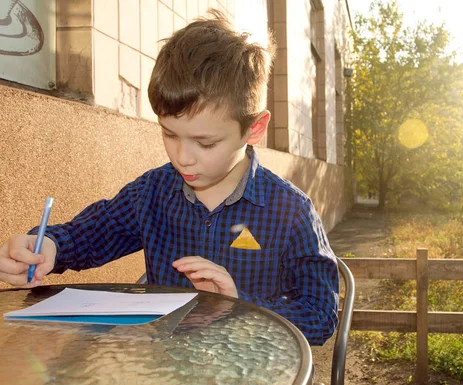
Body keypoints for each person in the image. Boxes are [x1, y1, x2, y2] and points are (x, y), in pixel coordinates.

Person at [0, 11, 339, 346]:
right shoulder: (153, 192)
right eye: (169, 134)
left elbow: (320, 317)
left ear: (254, 129)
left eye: (205, 143)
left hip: (253, 380)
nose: (182, 157)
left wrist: (242, 305)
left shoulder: (290, 211)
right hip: (167, 370)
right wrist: (47, 247)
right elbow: (91, 235)